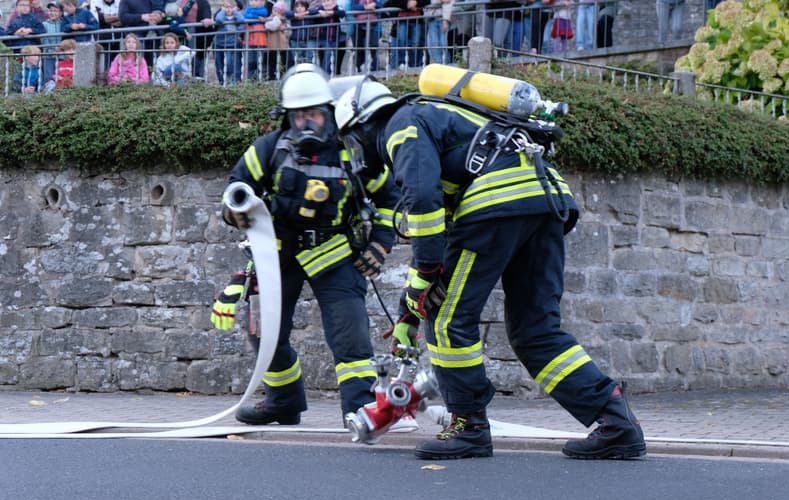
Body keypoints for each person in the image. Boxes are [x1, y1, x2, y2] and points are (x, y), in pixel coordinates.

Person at [333, 77, 647, 460]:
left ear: (364, 125)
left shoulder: (400, 124)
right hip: (544, 200)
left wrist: (423, 276)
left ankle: (468, 426)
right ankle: (617, 423)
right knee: (536, 329)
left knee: (449, 323)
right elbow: (451, 241)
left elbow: (424, 201)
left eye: (351, 141)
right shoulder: (445, 117)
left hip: (496, 204)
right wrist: (409, 311)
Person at [218, 65, 401, 426]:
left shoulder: (354, 153)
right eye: (300, 116)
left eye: (315, 114)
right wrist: (233, 213)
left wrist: (380, 242)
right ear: (288, 117)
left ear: (330, 113)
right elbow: (235, 190)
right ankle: (283, 402)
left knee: (351, 337)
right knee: (264, 333)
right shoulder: (267, 149)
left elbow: (389, 199)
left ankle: (360, 411)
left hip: (334, 255)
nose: (308, 123)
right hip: (277, 255)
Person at [308, 0, 345, 75]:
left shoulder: (337, 8)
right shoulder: (321, 8)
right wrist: (319, 12)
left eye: (328, 1)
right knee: (326, 55)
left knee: (332, 56)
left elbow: (343, 13)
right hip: (323, 38)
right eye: (324, 1)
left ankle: (327, 73)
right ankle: (323, 73)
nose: (326, 3)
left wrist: (332, 12)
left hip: (334, 37)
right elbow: (311, 11)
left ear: (334, 2)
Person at [212, 0, 244, 84]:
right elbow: (219, 19)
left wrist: (235, 11)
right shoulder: (221, 15)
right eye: (226, 7)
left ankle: (231, 82)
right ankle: (221, 82)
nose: (228, 9)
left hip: (232, 44)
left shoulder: (236, 16)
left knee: (230, 64)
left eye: (231, 7)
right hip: (219, 43)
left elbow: (241, 20)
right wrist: (223, 11)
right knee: (219, 65)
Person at [349, 0, 381, 72]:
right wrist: (365, 7)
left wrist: (374, 5)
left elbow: (380, 5)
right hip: (359, 25)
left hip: (372, 25)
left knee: (373, 46)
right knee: (359, 47)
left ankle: (375, 68)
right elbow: (353, 7)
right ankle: (359, 68)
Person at [90, 0, 123, 68]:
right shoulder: (95, 1)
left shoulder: (120, 1)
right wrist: (117, 17)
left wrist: (107, 19)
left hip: (118, 40)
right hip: (102, 41)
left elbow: (124, 17)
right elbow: (98, 18)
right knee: (103, 66)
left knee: (117, 66)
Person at [285, 0, 316, 65]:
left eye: (302, 6)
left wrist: (306, 13)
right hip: (295, 41)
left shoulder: (309, 14)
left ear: (306, 7)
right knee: (296, 60)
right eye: (297, 6)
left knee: (309, 59)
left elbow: (316, 11)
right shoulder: (293, 14)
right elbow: (286, 13)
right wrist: (295, 15)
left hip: (307, 40)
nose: (299, 8)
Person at [242, 0, 268, 79]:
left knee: (259, 61)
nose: (252, 2)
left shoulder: (263, 9)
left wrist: (252, 14)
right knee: (250, 62)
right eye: (251, 0)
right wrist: (257, 17)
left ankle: (259, 80)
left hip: (260, 41)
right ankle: (250, 80)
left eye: (256, 0)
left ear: (261, 2)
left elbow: (264, 13)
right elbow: (245, 16)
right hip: (249, 40)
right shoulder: (248, 9)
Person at [264, 0, 290, 78]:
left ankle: (284, 75)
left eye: (277, 11)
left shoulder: (285, 20)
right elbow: (271, 26)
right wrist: (277, 20)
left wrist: (284, 28)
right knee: (272, 61)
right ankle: (271, 76)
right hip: (272, 45)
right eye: (274, 10)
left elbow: (289, 32)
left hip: (283, 44)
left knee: (285, 61)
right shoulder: (270, 19)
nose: (275, 12)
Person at [41, 1, 63, 82]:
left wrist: (60, 49)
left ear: (61, 13)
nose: (52, 13)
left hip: (62, 55)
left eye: (55, 11)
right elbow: (44, 39)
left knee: (62, 76)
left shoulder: (63, 23)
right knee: (49, 77)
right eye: (50, 10)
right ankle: (48, 93)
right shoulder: (44, 24)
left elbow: (65, 38)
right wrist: (52, 51)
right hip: (48, 56)